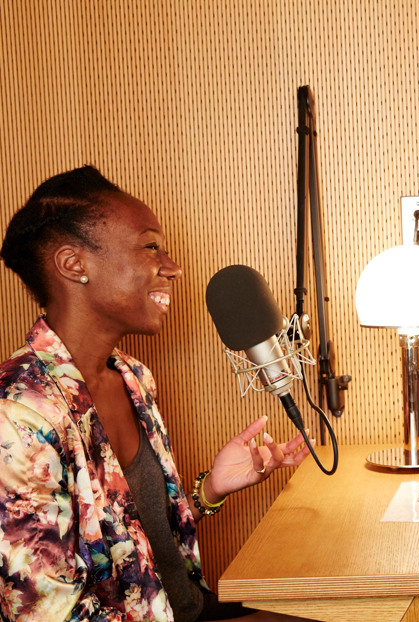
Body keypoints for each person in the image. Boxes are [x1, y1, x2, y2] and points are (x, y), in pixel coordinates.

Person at [0, 166, 315, 621]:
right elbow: (44, 613)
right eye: (150, 247)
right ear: (74, 264)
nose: (173, 267)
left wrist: (210, 490)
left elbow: (132, 540)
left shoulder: (133, 376)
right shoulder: (18, 414)